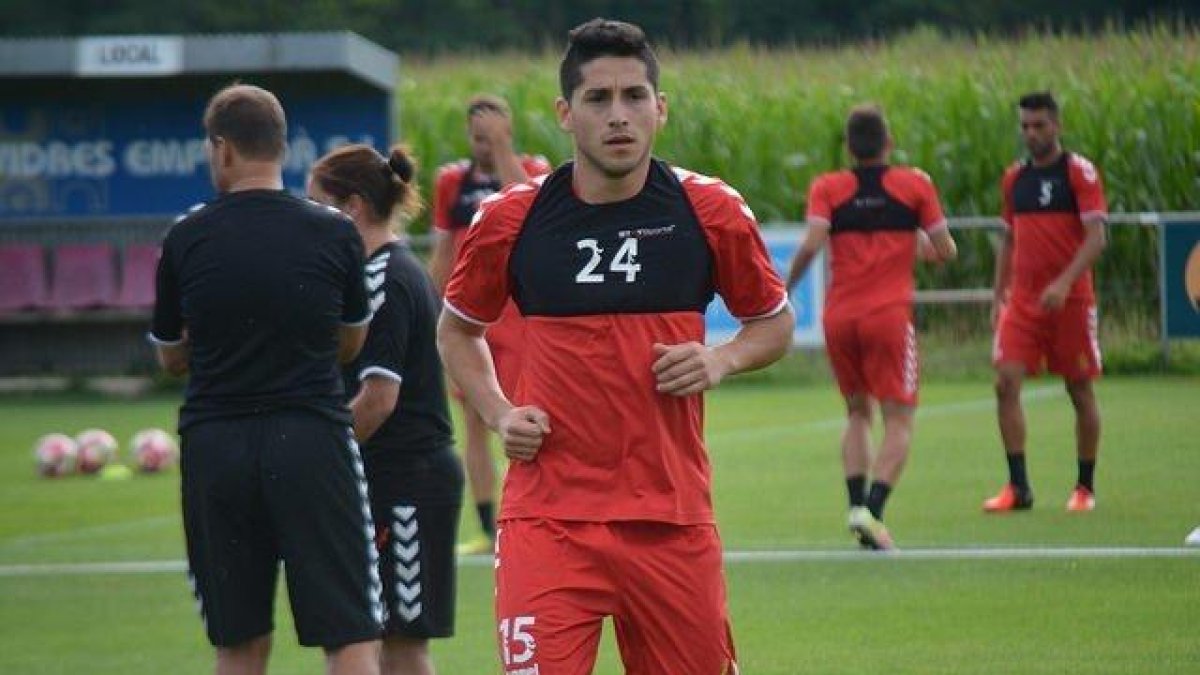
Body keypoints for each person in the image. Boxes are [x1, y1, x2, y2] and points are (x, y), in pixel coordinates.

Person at [437, 18, 793, 674]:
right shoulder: (511, 219)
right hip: (547, 522)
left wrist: (721, 357)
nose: (619, 115)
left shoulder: (709, 210)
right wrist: (497, 411)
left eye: (634, 96)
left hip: (672, 521)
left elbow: (774, 323)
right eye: (598, 99)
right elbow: (456, 327)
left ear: (660, 108)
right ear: (565, 115)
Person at [149, 84, 382, 675]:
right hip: (311, 438)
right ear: (282, 146)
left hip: (216, 444)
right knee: (350, 632)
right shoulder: (334, 232)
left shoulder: (185, 236)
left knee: (239, 639)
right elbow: (351, 341)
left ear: (222, 148)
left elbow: (170, 357)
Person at [308, 144, 464, 675]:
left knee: (401, 645)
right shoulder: (382, 270)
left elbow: (378, 400)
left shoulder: (385, 278)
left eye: (316, 205)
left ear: (351, 207)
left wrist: (319, 459)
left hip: (407, 483)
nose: (310, 220)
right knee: (373, 638)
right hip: (393, 480)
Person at [785, 104, 958, 551]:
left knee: (857, 412)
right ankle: (874, 512)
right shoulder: (914, 185)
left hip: (840, 317)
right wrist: (915, 243)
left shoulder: (829, 187)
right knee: (898, 418)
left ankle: (855, 505)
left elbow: (810, 244)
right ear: (889, 142)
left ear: (848, 147)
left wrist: (783, 288)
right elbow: (945, 249)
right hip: (887, 318)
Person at [427, 94, 551, 555]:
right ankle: (488, 527)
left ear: (509, 132)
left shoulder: (533, 170)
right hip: (470, 318)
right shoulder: (451, 182)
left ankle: (533, 516)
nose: (484, 146)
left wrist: (504, 151)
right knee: (477, 421)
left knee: (524, 413)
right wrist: (430, 307)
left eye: (493, 137)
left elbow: (534, 212)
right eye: (479, 138)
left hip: (518, 319)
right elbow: (443, 251)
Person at [985, 91, 1108, 513]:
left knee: (1079, 388)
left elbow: (1097, 237)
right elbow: (1009, 238)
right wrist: (997, 293)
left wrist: (1064, 282)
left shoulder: (1079, 173)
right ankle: (1018, 487)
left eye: (1039, 125)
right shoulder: (1014, 179)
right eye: (1025, 126)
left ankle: (1084, 487)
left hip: (1070, 300)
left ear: (1057, 126)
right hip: (1022, 302)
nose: (1031, 133)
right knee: (1005, 384)